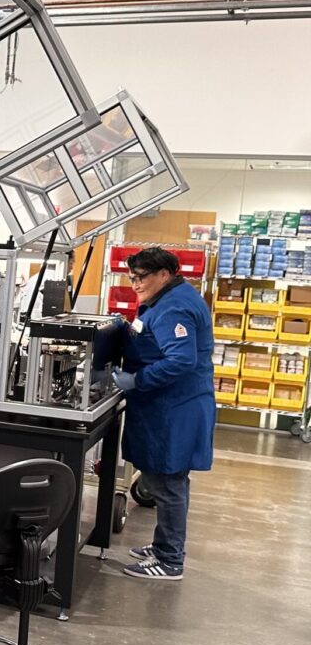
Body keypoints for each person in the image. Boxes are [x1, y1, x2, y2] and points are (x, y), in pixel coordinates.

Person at [111, 247, 215, 581]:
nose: (135, 284)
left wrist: (137, 379)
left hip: (175, 409)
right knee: (168, 480)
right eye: (131, 277)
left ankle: (170, 561)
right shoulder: (168, 298)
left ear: (164, 275)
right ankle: (163, 546)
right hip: (168, 405)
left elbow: (181, 360)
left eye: (141, 277)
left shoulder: (174, 307)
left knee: (168, 483)